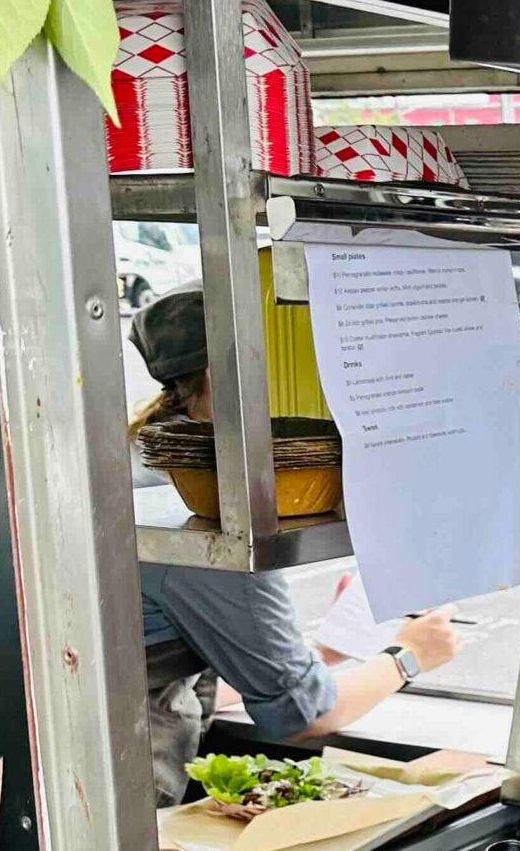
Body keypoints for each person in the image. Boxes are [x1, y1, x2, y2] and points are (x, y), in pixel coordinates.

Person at [131, 288, 461, 805]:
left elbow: (187, 655)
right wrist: (411, 655)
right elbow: (305, 716)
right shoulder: (215, 518)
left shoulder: (152, 454)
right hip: (117, 790)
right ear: (226, 377)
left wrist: (320, 654)